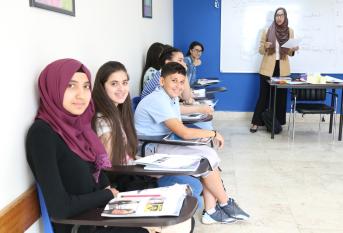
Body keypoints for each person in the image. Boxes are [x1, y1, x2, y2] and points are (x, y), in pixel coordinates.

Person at [26, 58, 148, 233]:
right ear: (53, 88)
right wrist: (107, 194)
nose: (81, 95)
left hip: (100, 216)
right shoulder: (42, 134)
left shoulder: (80, 127)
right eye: (70, 86)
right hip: (80, 226)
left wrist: (110, 194)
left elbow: (99, 178)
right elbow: (60, 208)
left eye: (85, 87)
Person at [135, 62, 250, 224]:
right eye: (174, 80)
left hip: (162, 142)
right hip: (149, 149)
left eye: (182, 82)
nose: (178, 86)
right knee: (205, 155)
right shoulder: (157, 99)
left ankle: (212, 210)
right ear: (162, 81)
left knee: (207, 151)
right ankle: (223, 203)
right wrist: (213, 133)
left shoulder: (168, 96)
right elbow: (184, 132)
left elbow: (177, 112)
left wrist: (200, 110)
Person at [91, 60, 203, 210]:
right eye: (114, 84)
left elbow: (126, 155)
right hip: (127, 180)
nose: (121, 89)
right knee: (194, 196)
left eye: (124, 83)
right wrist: (149, 170)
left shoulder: (119, 112)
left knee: (196, 186)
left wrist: (151, 165)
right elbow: (114, 165)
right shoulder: (103, 120)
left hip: (137, 170)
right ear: (102, 87)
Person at [250, 7, 299, 133]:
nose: (279, 18)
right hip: (267, 69)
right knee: (263, 97)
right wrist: (265, 47)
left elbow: (290, 53)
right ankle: (255, 123)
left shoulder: (290, 31)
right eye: (277, 15)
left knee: (281, 98)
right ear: (275, 17)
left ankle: (276, 124)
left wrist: (294, 49)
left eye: (282, 15)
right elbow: (260, 50)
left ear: (285, 17)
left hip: (283, 69)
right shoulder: (267, 30)